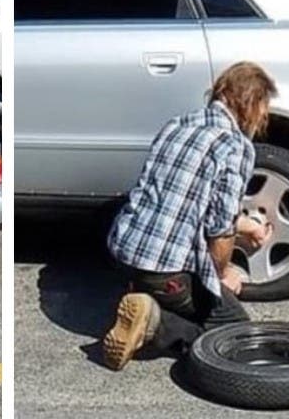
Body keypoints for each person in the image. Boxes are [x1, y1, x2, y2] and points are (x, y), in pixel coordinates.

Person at [102, 62, 277, 371]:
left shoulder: (177, 124)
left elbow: (186, 202)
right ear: (250, 104)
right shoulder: (235, 145)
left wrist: (248, 226)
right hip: (165, 272)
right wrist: (222, 279)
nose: (263, 119)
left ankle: (142, 293)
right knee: (234, 332)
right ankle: (156, 324)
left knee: (178, 289)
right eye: (263, 110)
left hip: (123, 252)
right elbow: (219, 230)